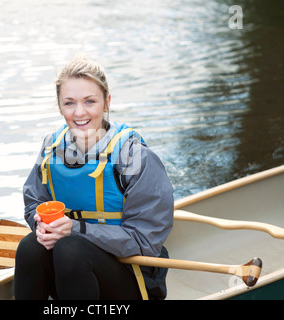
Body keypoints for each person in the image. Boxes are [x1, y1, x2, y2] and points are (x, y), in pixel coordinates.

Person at [14, 56, 174, 300]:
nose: (79, 112)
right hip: (72, 275)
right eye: (69, 103)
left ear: (106, 102)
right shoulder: (51, 149)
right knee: (29, 248)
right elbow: (34, 202)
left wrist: (76, 229)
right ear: (59, 106)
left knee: (70, 249)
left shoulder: (135, 157)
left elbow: (146, 242)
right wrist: (41, 226)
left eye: (90, 101)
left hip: (132, 278)